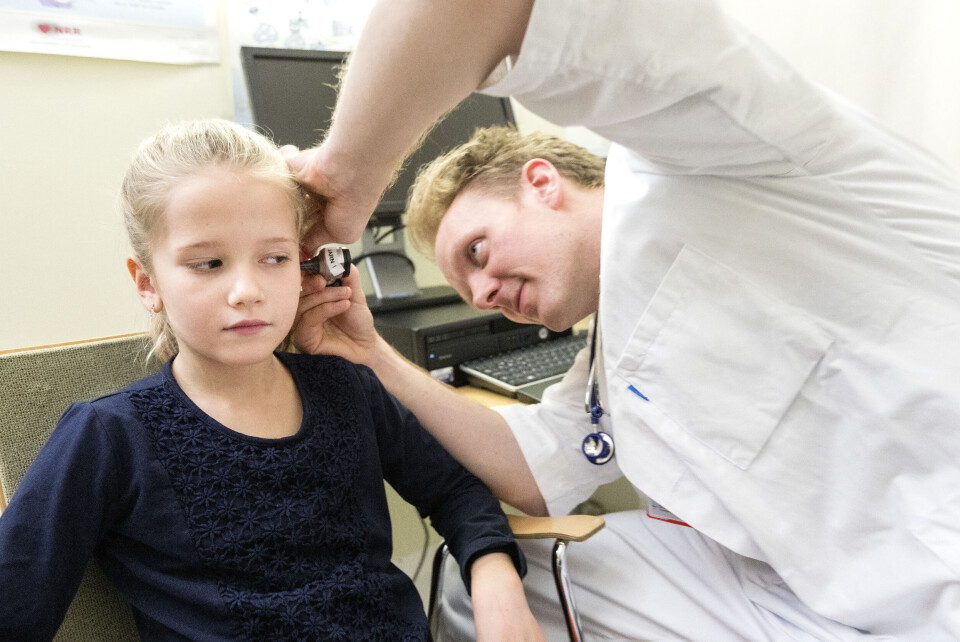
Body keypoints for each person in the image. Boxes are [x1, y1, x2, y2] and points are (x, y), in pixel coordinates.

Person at [287, 0, 960, 639]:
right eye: (471, 291)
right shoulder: (606, 355)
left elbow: (487, 13)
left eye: (479, 252)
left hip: (933, 577)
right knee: (492, 584)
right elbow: (537, 469)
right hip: (810, 594)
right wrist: (372, 354)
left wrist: (346, 175)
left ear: (541, 183)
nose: (486, 294)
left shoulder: (718, 157)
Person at [0, 119, 546, 641]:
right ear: (148, 283)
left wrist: (496, 581)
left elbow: (456, 490)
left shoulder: (347, 388)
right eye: (208, 264)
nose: (247, 291)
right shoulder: (110, 436)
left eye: (275, 258)